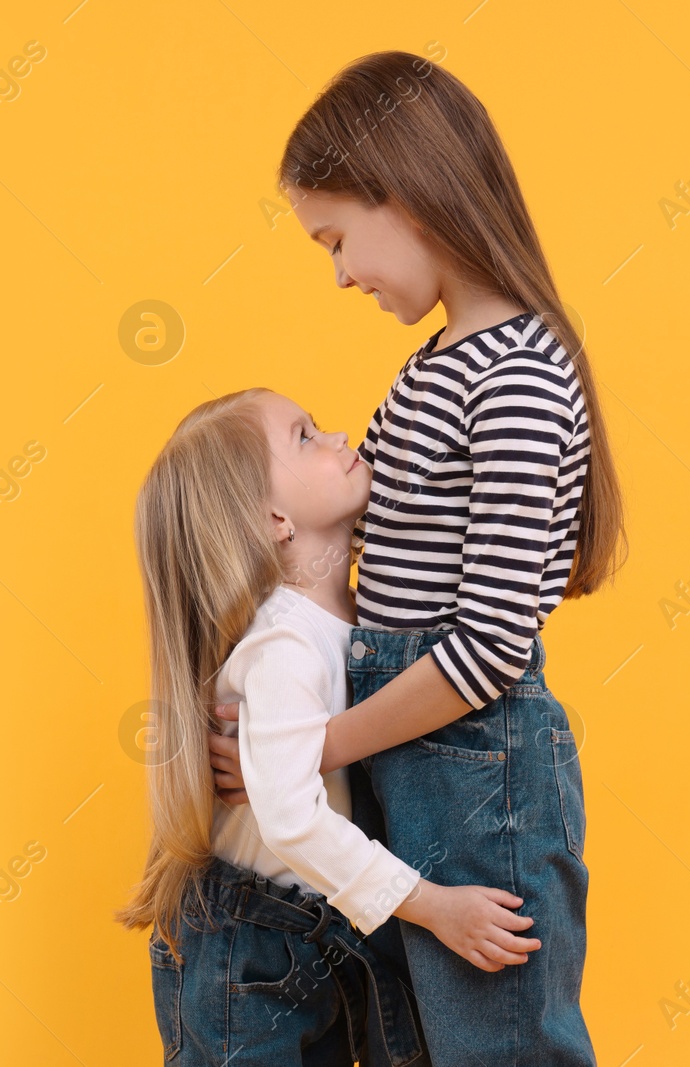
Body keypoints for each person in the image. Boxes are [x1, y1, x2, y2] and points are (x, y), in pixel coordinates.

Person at [207, 51, 627, 1066]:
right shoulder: (444, 362)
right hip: (421, 758)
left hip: (479, 769)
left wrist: (316, 747)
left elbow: (485, 645)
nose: (341, 272)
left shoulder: (517, 372)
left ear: (411, 195)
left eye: (339, 237)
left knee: (501, 1047)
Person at [116, 388, 543, 1066]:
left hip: (327, 934)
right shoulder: (285, 642)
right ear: (276, 519)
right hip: (255, 948)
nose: (342, 435)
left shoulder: (362, 614)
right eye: (306, 435)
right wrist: (434, 906)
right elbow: (291, 820)